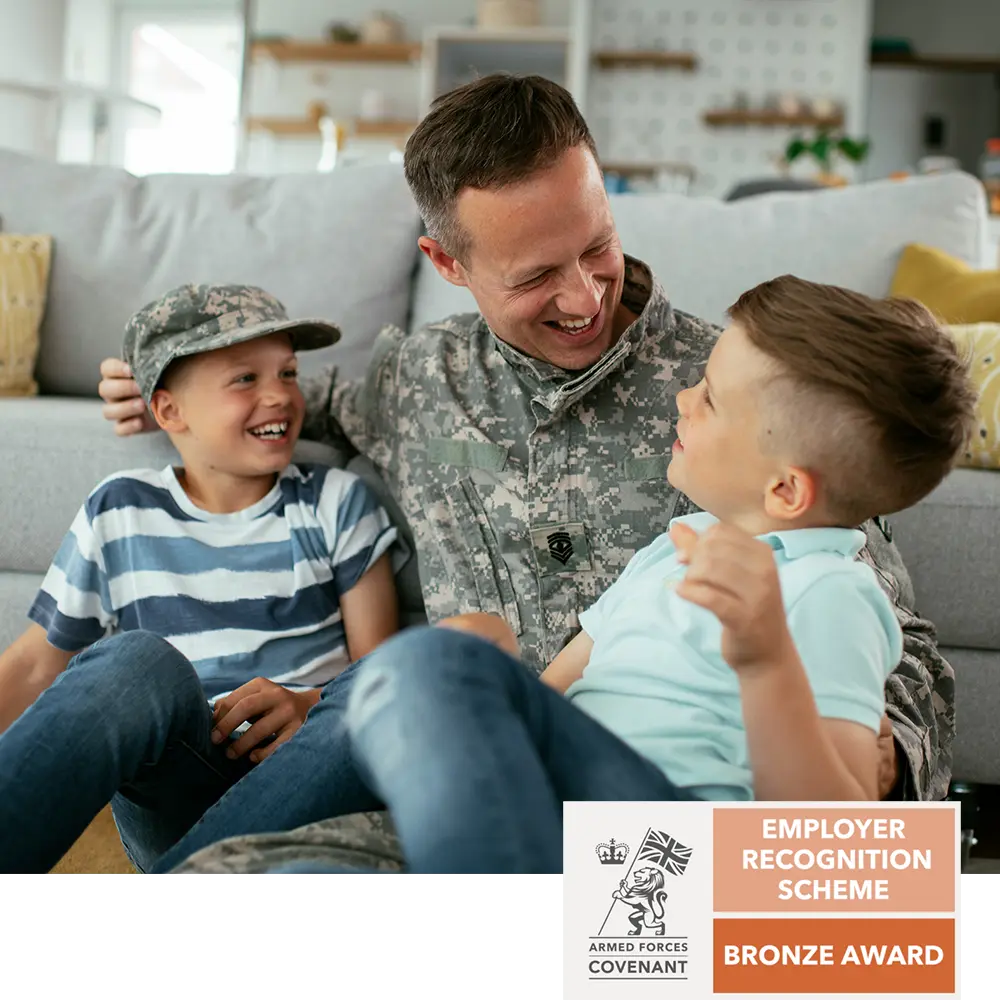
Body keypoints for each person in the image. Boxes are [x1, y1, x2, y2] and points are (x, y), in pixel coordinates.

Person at [98, 74, 954, 835]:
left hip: (643, 815)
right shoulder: (417, 379)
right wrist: (178, 390)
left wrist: (874, 769)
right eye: (536, 274)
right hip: (432, 771)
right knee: (128, 686)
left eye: (596, 246)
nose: (584, 296)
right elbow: (305, 403)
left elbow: (887, 630)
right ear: (448, 263)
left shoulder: (743, 395)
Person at [147, 274, 975, 877]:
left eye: (712, 399)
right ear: (452, 264)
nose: (685, 399)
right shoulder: (678, 542)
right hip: (559, 811)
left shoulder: (830, 590)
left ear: (787, 489)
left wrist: (764, 662)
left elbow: (822, 844)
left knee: (432, 661)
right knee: (272, 873)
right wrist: (491, 683)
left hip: (672, 851)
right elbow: (556, 690)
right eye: (536, 274)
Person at [0, 284, 401, 876]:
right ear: (168, 411)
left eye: (288, 373)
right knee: (132, 660)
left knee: (394, 678)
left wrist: (309, 703)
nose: (281, 396)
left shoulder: (336, 501)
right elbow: (35, 665)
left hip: (304, 772)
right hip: (178, 787)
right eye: (245, 379)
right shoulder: (119, 509)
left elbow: (384, 680)